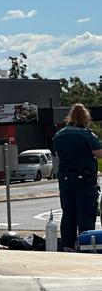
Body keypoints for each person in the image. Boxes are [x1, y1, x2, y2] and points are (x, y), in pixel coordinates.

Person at [53, 103, 102, 251]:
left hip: (65, 179)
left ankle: (67, 245)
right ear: (85, 118)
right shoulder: (86, 134)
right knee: (86, 212)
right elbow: (99, 153)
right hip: (85, 179)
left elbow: (57, 155)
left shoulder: (59, 135)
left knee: (68, 213)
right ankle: (86, 245)